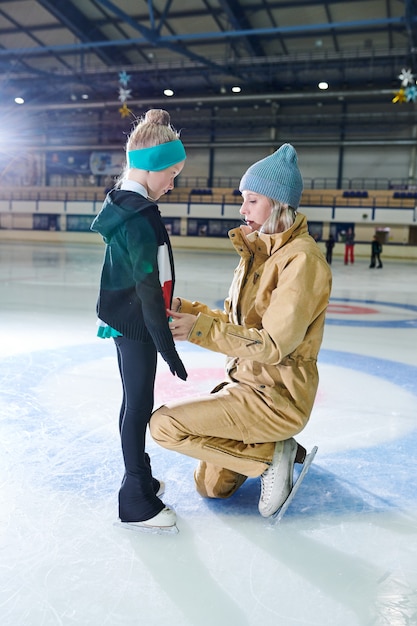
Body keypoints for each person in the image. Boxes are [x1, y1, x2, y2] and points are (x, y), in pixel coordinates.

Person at [150, 144, 332, 519]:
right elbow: (240, 325)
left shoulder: (302, 260)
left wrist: (200, 331)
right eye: (242, 199)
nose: (242, 209)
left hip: (276, 396)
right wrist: (186, 309)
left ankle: (268, 458)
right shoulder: (259, 252)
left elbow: (273, 345)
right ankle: (275, 448)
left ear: (279, 204)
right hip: (246, 385)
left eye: (252, 200)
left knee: (164, 426)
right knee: (211, 487)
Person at [90, 109, 188, 531]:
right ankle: (135, 499)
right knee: (138, 406)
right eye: (171, 173)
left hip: (130, 318)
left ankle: (141, 478)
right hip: (137, 323)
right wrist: (165, 344)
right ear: (149, 168)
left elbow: (150, 278)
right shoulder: (139, 215)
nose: (172, 183)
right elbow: (148, 286)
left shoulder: (129, 205)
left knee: (134, 402)